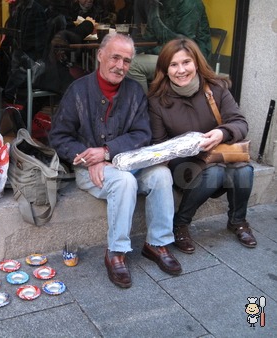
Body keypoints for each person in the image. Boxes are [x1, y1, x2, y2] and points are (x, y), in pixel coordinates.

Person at [48, 33, 182, 288]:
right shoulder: (79, 90)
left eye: (127, 61)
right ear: (100, 56)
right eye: (115, 58)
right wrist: (91, 158)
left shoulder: (134, 91)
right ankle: (116, 252)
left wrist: (107, 151)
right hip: (93, 170)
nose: (120, 66)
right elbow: (59, 136)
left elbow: (142, 134)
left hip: (128, 163)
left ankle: (157, 243)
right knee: (123, 183)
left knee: (162, 176)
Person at [148, 37, 257, 254]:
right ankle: (180, 224)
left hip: (218, 155)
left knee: (244, 170)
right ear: (165, 69)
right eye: (174, 64)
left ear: (196, 63)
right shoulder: (157, 101)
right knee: (214, 173)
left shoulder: (216, 89)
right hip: (183, 166)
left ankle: (237, 221)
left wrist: (222, 132)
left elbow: (240, 123)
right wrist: (186, 147)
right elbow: (158, 144)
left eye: (186, 62)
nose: (181, 70)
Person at [127, 0, 212, 93]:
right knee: (125, 60)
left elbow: (184, 45)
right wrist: (128, 50)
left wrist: (153, 49)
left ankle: (143, 104)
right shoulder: (156, 4)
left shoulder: (189, 3)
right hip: (165, 53)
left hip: (190, 59)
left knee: (133, 64)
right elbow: (149, 36)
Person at [2, 0, 48, 105]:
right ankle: (10, 96)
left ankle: (9, 96)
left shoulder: (29, 9)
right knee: (19, 61)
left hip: (28, 59)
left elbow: (36, 43)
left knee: (19, 62)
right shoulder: (22, 8)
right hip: (26, 58)